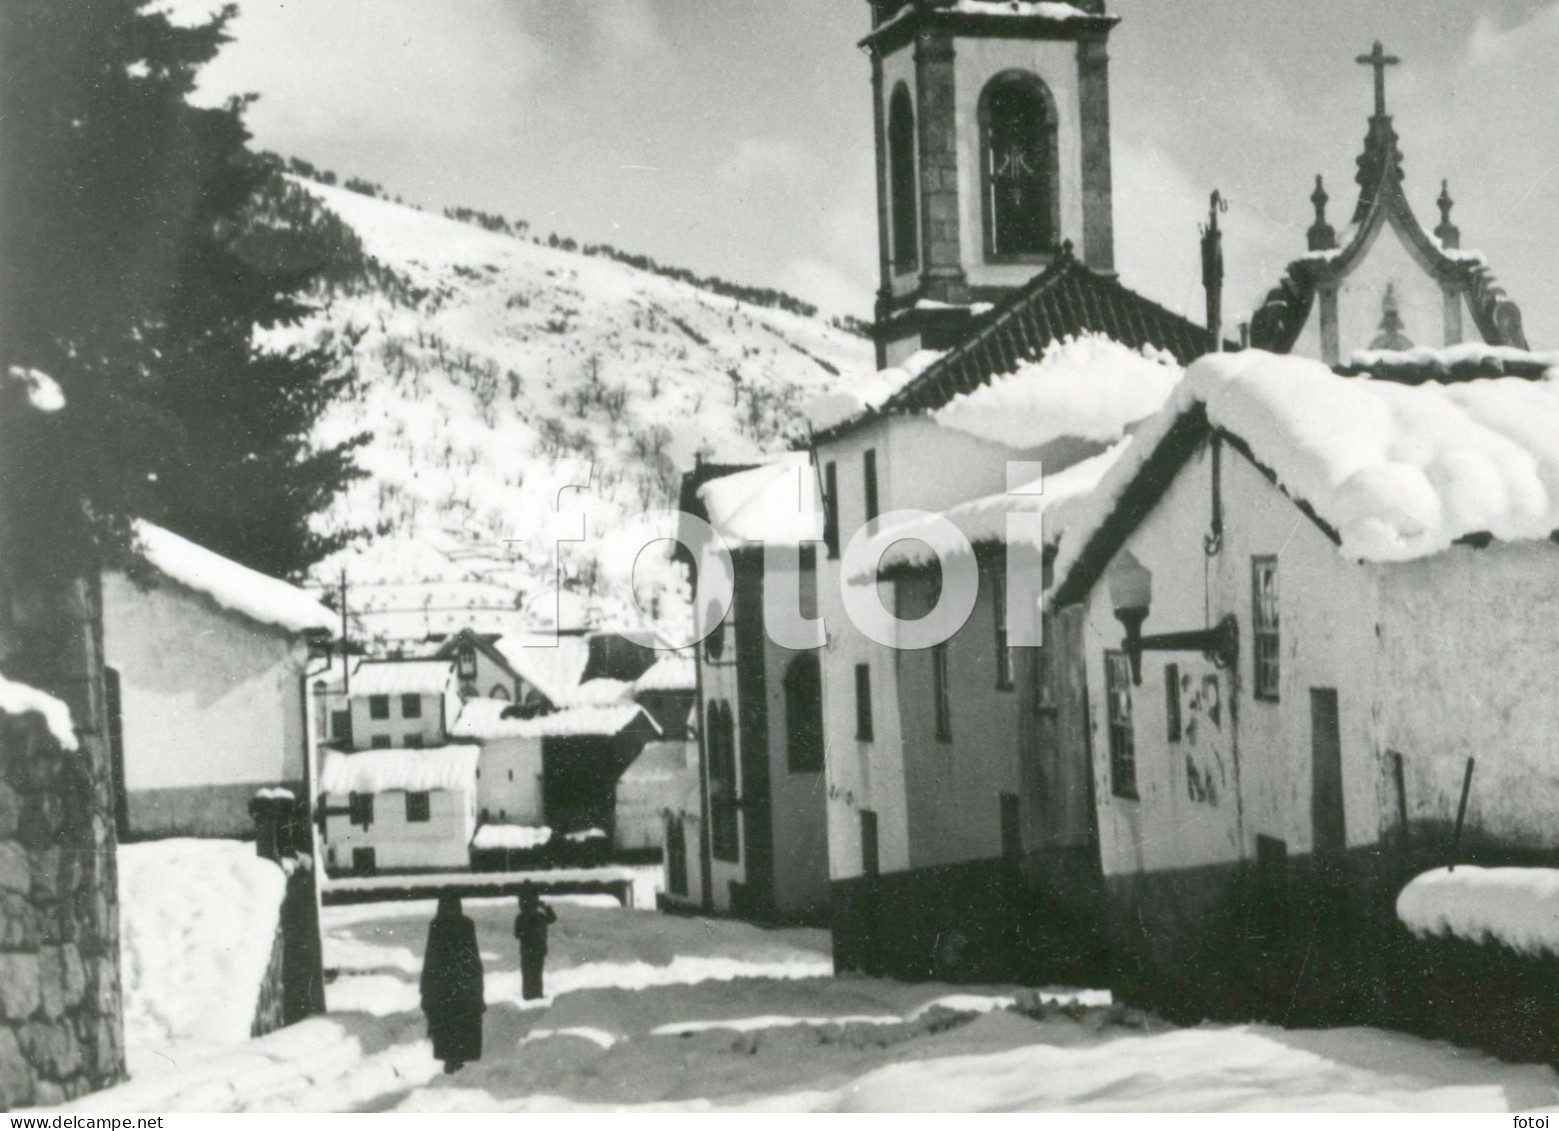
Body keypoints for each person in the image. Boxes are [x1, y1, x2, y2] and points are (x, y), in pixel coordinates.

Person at [420, 893, 485, 1073]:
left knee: (449, 1026)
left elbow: (431, 959)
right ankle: (456, 1062)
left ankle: (452, 1062)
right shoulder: (463, 924)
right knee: (457, 1025)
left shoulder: (438, 925)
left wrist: (426, 987)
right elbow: (472, 957)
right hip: (458, 985)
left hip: (445, 985)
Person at [514, 882, 557, 1001]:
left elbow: (552, 918)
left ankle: (532, 995)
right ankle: (534, 995)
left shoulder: (526, 917)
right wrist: (544, 908)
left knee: (531, 974)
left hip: (531, 950)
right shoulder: (535, 916)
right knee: (534, 974)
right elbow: (552, 918)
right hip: (536, 949)